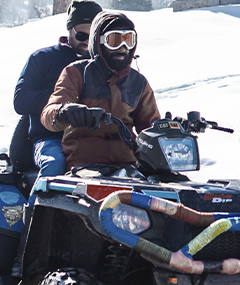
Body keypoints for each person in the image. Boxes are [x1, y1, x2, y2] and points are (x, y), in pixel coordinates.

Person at [41, 11, 160, 171]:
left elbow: (150, 128)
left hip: (127, 167)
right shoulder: (77, 73)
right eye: (114, 40)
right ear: (99, 42)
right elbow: (49, 114)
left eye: (128, 40)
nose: (123, 47)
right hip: (86, 166)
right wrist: (64, 112)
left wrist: (165, 131)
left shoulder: (138, 83)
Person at [13, 0, 103, 179]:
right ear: (70, 29)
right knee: (55, 164)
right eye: (81, 35)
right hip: (51, 138)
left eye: (92, 36)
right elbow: (20, 100)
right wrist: (62, 101)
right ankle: (36, 206)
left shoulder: (104, 64)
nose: (86, 41)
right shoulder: (43, 58)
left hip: (93, 140)